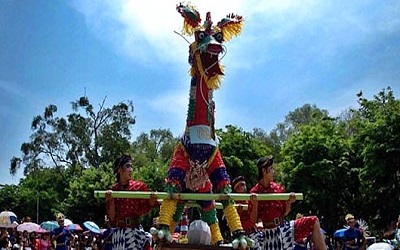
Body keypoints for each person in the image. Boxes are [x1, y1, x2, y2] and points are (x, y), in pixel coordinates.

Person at [248, 156, 327, 250]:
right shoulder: (255, 191)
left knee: (313, 221)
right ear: (264, 171)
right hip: (268, 233)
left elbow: (285, 213)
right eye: (271, 169)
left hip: (283, 227)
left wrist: (289, 203)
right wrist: (255, 204)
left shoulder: (277, 188)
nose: (273, 172)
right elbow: (253, 219)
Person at [105, 154, 158, 250]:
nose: (131, 169)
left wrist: (152, 201)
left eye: (131, 166)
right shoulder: (113, 189)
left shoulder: (139, 187)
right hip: (121, 233)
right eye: (127, 166)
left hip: (136, 229)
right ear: (119, 170)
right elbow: (112, 218)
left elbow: (148, 206)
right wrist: (111, 201)